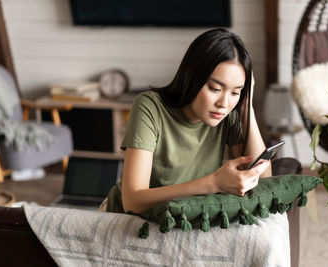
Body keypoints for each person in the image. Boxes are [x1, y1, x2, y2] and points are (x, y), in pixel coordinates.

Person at [105, 28, 271, 214]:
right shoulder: (150, 107)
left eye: (235, 92)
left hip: (181, 218)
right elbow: (132, 202)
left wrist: (247, 107)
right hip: (123, 220)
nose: (223, 104)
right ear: (192, 77)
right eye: (215, 89)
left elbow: (264, 180)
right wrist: (213, 183)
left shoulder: (229, 112)